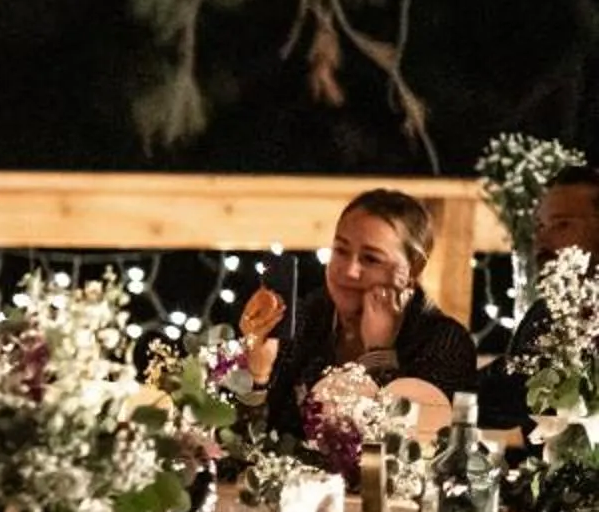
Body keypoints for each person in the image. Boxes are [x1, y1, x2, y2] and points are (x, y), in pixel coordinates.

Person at [254, 189, 481, 437]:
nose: (350, 270)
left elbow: (410, 453)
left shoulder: (445, 343)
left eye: (371, 259)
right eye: (341, 250)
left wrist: (379, 356)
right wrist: (258, 373)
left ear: (414, 267)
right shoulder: (301, 318)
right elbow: (250, 444)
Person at [480, 164, 599, 426]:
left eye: (561, 224)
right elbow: (502, 394)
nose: (541, 239)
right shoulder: (544, 314)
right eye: (540, 226)